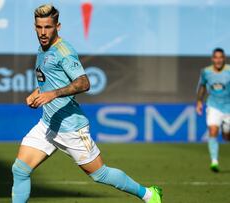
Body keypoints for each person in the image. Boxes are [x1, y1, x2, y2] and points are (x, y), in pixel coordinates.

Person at [11, 4, 162, 203]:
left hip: (71, 127)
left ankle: (149, 195)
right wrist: (37, 93)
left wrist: (53, 94)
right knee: (20, 170)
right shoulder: (42, 49)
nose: (43, 32)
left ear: (58, 26)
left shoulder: (64, 52)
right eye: (39, 27)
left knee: (99, 174)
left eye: (48, 27)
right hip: (48, 124)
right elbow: (50, 82)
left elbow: (84, 82)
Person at [196, 48, 230, 172]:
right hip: (213, 106)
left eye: (220, 57)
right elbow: (202, 86)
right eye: (216, 57)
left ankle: (226, 130)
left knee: (227, 136)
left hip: (228, 107)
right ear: (212, 59)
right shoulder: (206, 72)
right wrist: (199, 101)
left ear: (224, 58)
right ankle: (214, 161)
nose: (218, 60)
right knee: (213, 130)